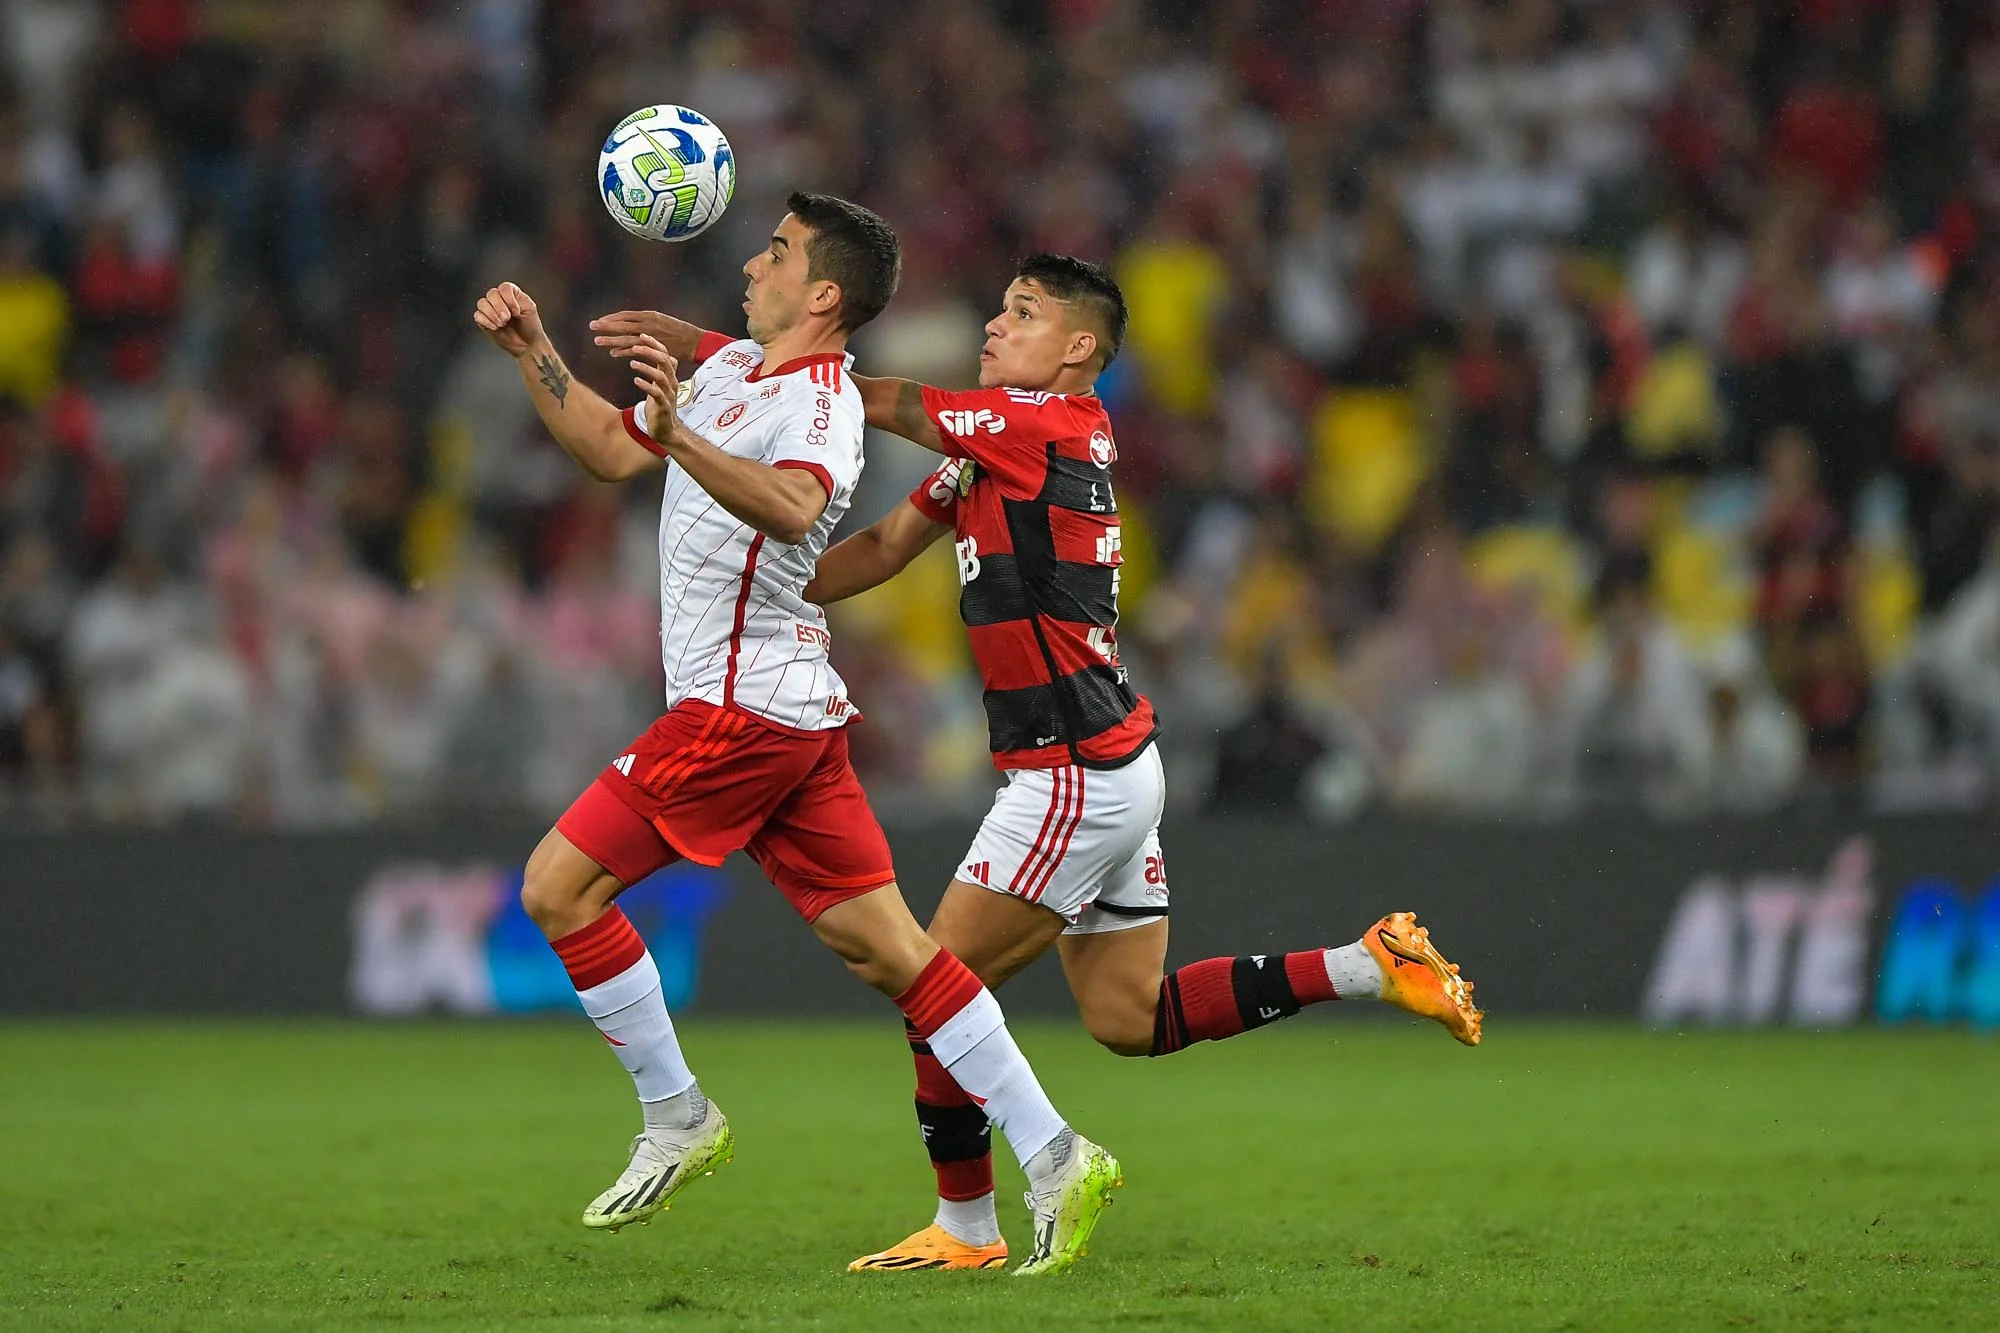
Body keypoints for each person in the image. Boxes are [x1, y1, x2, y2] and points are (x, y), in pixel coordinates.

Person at [596, 252, 1483, 1274]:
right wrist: (771, 588)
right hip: (1110, 765)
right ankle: (1368, 964)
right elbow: (882, 549)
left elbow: (867, 393)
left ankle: (971, 1222)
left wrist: (712, 351)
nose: (992, 324)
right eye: (997, 306)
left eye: (1020, 313)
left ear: (1075, 349)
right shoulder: (999, 446)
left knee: (935, 985)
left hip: (1069, 775)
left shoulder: (1033, 424)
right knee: (1126, 1017)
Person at [474, 196, 1119, 1276]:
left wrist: (682, 435)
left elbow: (786, 505)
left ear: (822, 292)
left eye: (774, 251)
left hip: (735, 713)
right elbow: (603, 448)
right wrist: (533, 349)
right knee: (896, 954)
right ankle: (1056, 1151)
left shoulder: (820, 407)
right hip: (793, 715)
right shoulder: (730, 375)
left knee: (555, 887)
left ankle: (675, 1113)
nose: (751, 263)